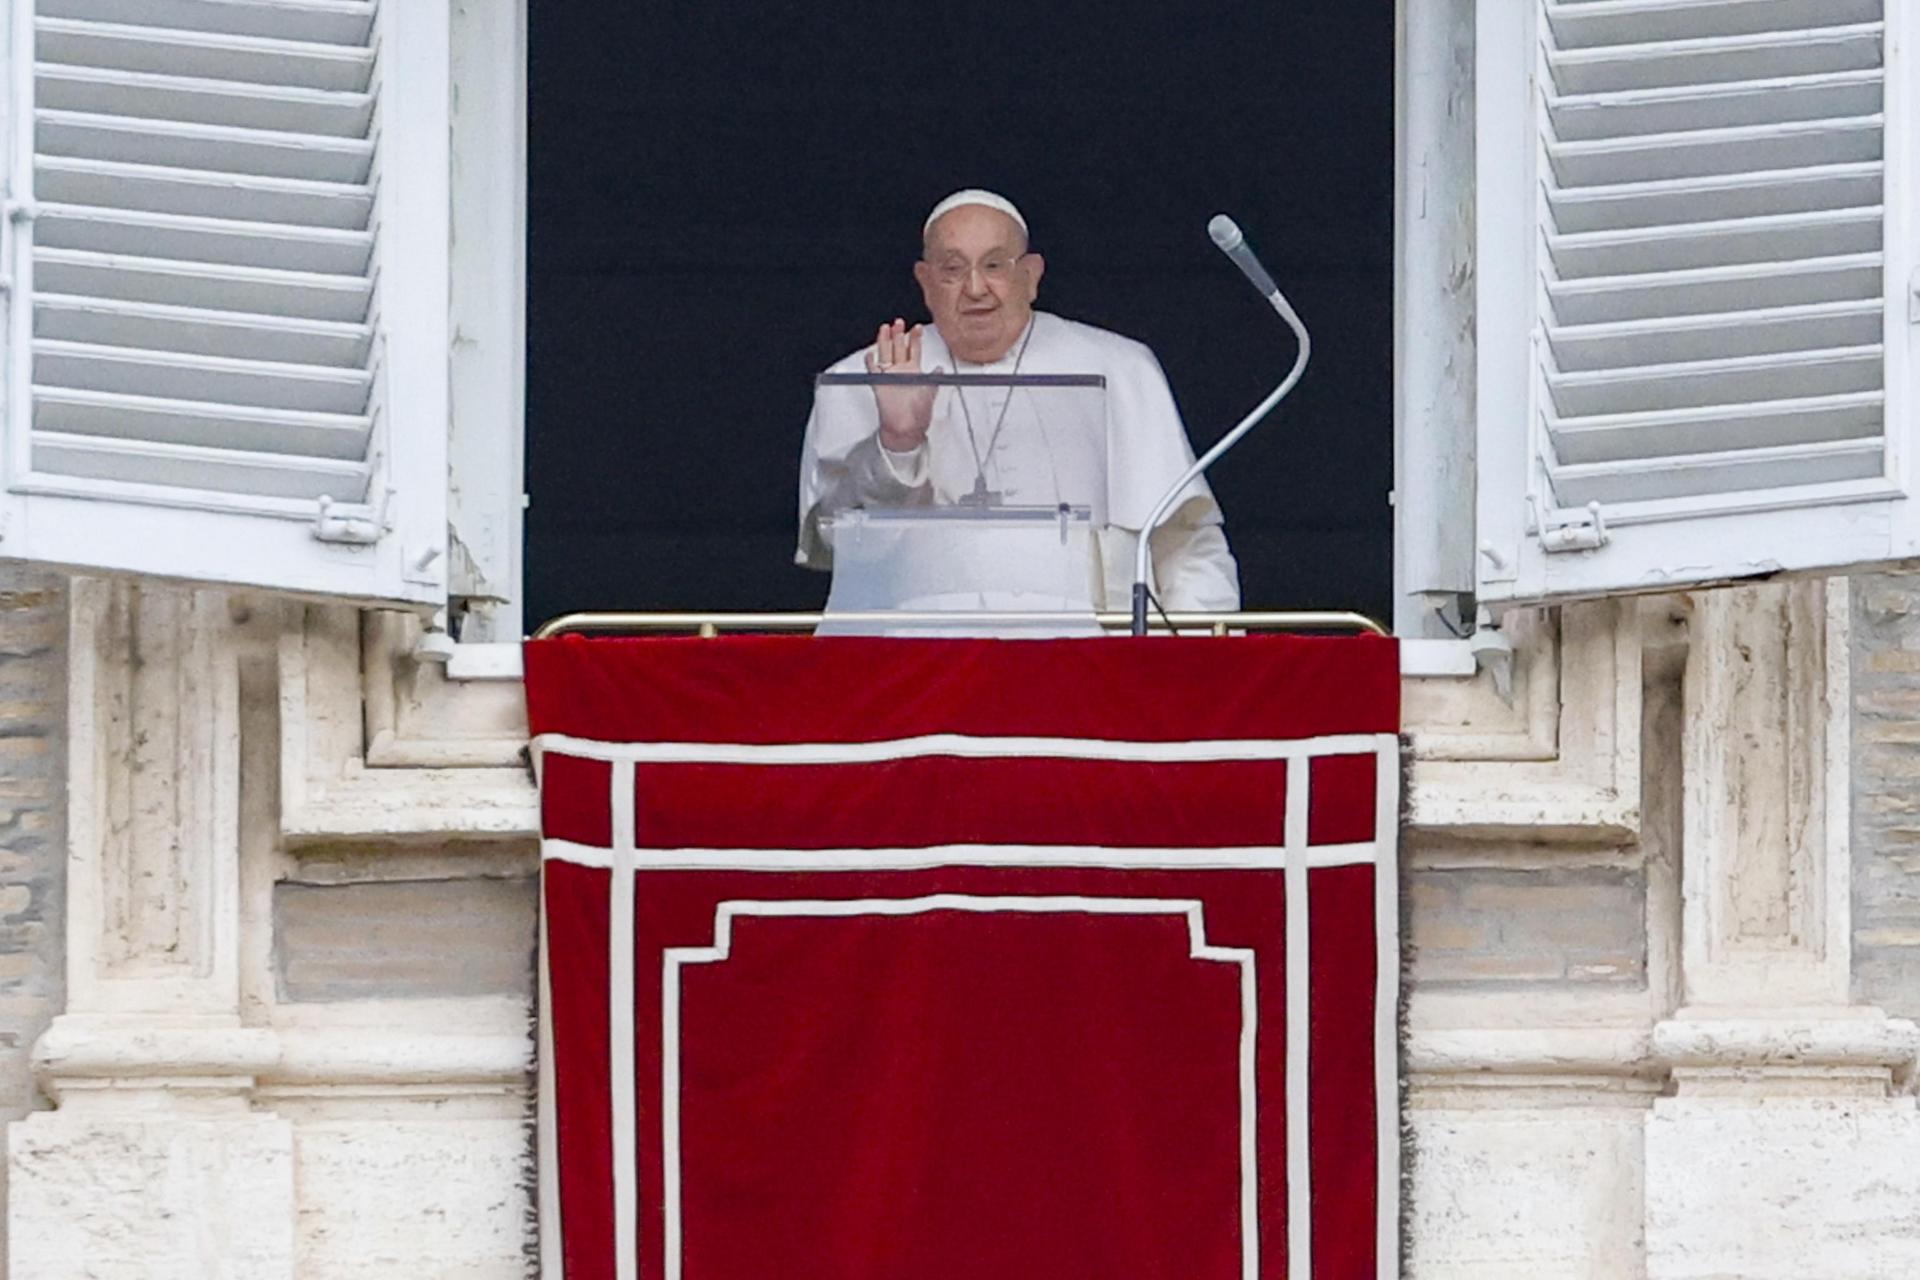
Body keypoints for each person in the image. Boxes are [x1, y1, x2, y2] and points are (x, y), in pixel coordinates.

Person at [797, 189, 1241, 612]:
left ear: (1031, 276)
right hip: (923, 667)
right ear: (925, 282)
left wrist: (1193, 666)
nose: (975, 288)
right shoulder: (861, 378)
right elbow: (842, 545)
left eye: (994, 265)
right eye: (952, 269)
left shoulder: (1120, 367)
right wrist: (898, 440)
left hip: (1094, 663)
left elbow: (1186, 544)